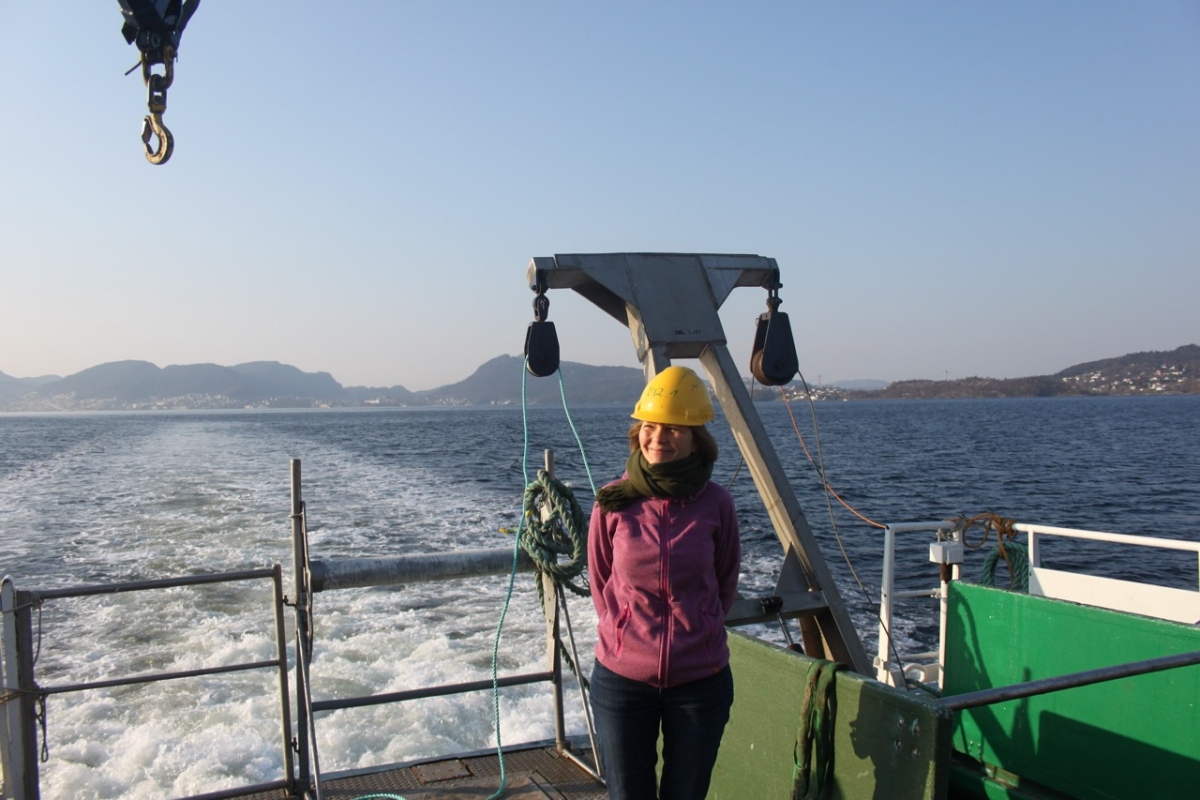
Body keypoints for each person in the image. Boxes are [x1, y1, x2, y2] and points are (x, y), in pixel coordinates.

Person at [587, 365, 741, 800]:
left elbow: (725, 579)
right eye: (650, 427)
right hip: (622, 679)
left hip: (700, 680)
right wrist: (625, 634)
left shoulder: (717, 504)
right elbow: (601, 580)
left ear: (696, 438)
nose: (659, 438)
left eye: (674, 429)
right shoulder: (614, 502)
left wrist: (699, 631)